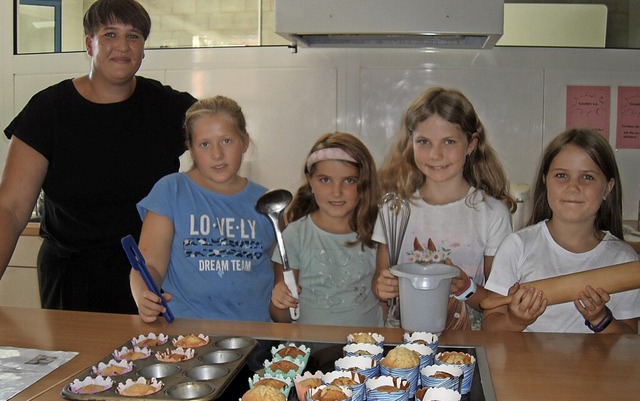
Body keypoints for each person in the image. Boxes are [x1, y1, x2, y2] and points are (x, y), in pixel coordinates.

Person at [0, 0, 197, 313]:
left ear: (144, 49)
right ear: (89, 43)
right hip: (72, 278)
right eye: (109, 34)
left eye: (133, 36)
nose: (122, 46)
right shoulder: (49, 111)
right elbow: (9, 210)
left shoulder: (168, 108)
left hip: (151, 273)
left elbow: (220, 140)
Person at [372, 87, 516, 331]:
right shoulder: (393, 210)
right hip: (405, 347)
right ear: (411, 143)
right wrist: (382, 288)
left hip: (465, 346)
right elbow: (381, 286)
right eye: (424, 142)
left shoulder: (492, 214)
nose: (435, 154)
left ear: (471, 144)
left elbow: (496, 303)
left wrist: (465, 287)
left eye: (448, 142)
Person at [130, 95, 275, 322]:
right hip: (188, 337)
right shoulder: (171, 190)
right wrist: (143, 295)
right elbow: (149, 263)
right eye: (204, 144)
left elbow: (281, 271)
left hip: (257, 338)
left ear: (244, 142)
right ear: (191, 149)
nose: (217, 154)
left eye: (226, 141)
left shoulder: (268, 202)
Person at [483, 128, 640, 333]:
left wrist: (601, 319)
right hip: (526, 365)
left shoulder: (624, 262)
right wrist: (516, 320)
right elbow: (490, 326)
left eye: (587, 177)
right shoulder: (518, 247)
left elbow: (628, 339)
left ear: (608, 188)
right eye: (561, 175)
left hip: (593, 366)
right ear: (545, 181)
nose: (573, 187)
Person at [269, 132, 384, 326]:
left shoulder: (377, 234)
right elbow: (281, 318)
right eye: (325, 180)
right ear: (310, 181)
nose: (336, 191)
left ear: (363, 183)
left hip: (366, 350)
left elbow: (385, 304)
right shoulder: (294, 235)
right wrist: (280, 300)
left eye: (349, 180)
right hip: (309, 352)